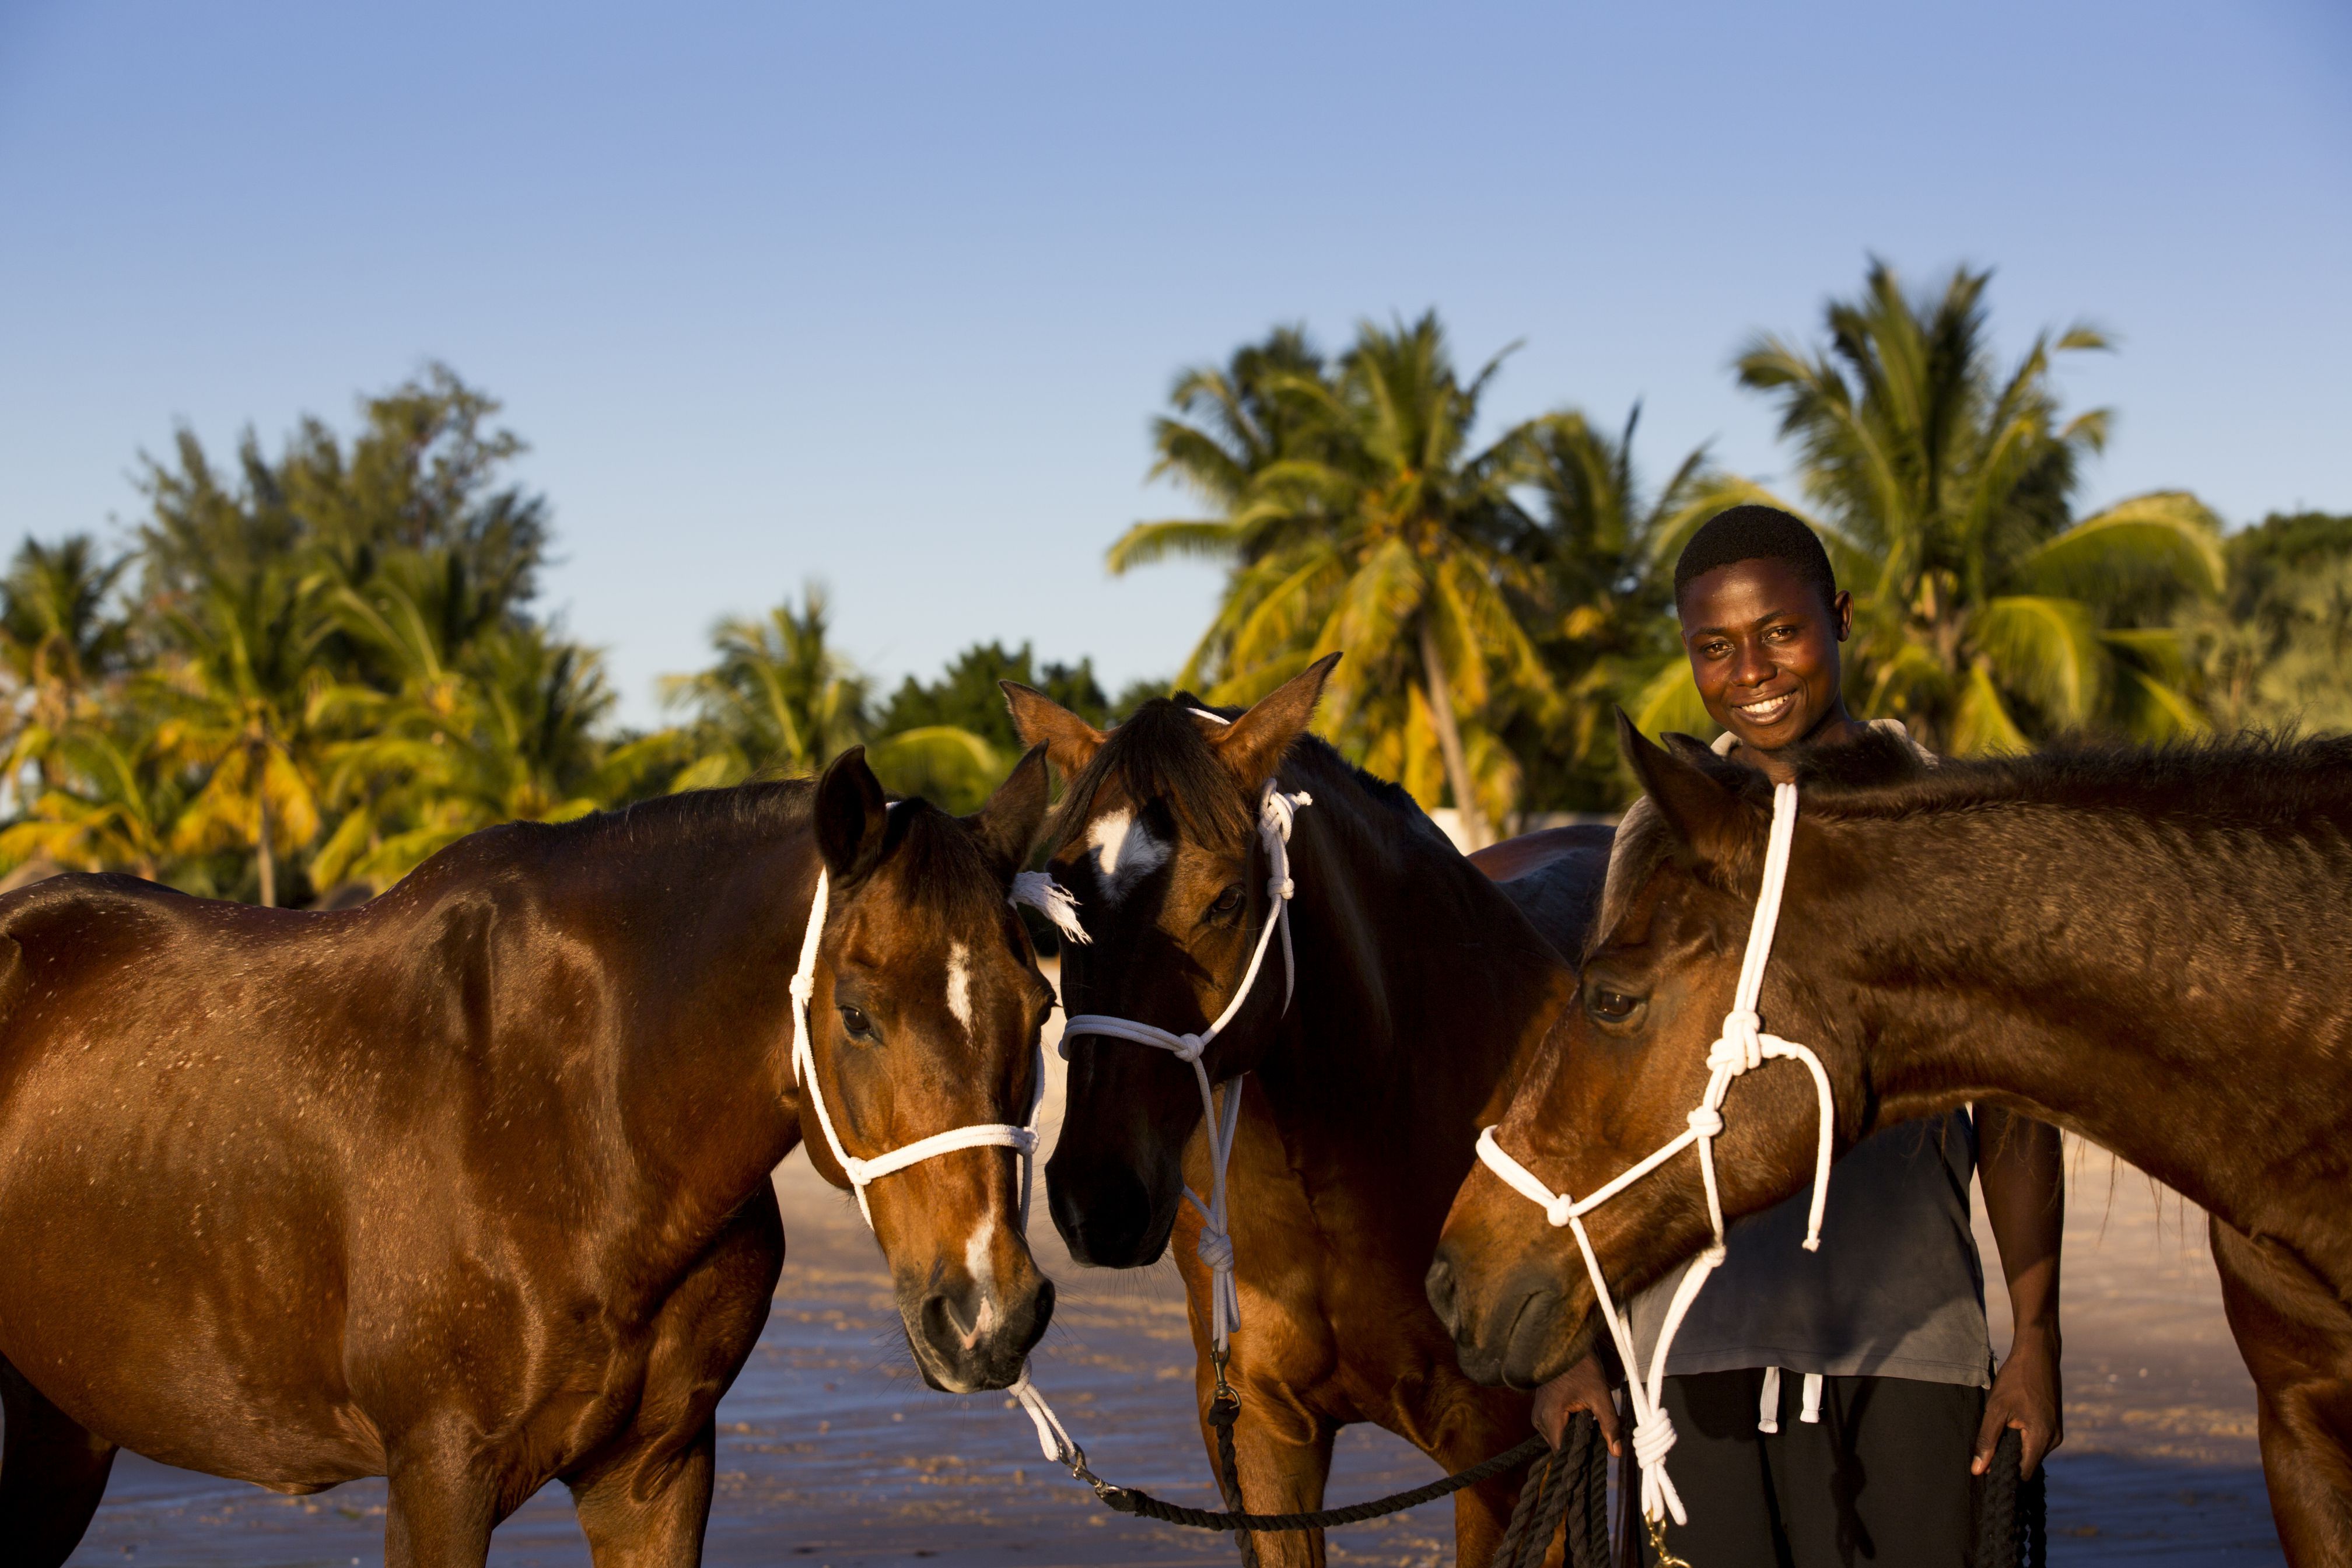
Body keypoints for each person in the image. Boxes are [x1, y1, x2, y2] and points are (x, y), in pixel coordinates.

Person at [1534, 504, 2065, 1566]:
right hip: (1689, 1350)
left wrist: (2036, 1344)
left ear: (1841, 618)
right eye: (1714, 648)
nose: (1753, 672)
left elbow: (2014, 1115)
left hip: (1912, 1350)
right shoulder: (1659, 831)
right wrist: (1570, 1349)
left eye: (1781, 631)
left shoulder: (1949, 826)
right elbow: (1602, 1098)